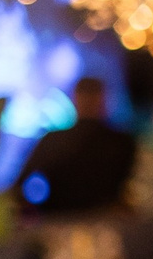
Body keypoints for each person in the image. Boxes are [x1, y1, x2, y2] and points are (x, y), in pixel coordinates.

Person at [14, 75, 136, 213]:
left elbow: (24, 183)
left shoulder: (54, 140)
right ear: (103, 99)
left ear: (74, 99)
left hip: (58, 218)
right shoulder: (122, 141)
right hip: (107, 218)